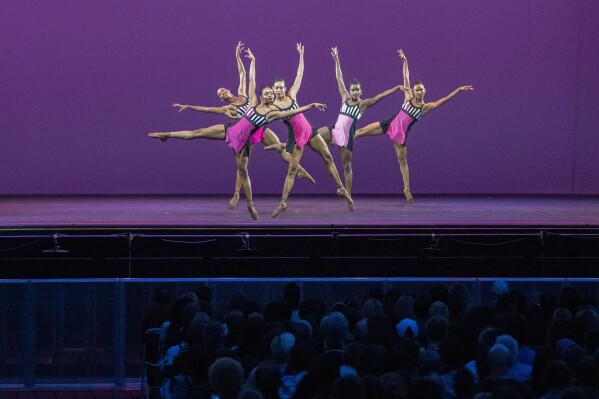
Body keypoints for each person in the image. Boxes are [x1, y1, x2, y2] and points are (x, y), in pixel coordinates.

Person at [149, 48, 326, 220]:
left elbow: (289, 112)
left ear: (271, 97)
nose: (269, 95)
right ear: (262, 95)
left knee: (246, 169)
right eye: (266, 93)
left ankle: (251, 204)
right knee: (199, 132)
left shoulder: (272, 113)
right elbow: (250, 79)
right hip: (233, 131)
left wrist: (310, 105)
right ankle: (167, 134)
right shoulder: (248, 102)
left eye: (270, 93)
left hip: (248, 138)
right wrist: (188, 106)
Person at [354, 49, 473, 204]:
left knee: (402, 161)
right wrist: (405, 61)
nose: (418, 92)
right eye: (416, 90)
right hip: (389, 124)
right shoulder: (408, 96)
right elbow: (406, 77)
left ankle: (407, 189)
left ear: (424, 92)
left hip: (401, 134)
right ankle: (340, 141)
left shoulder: (425, 107)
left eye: (420, 90)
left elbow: (443, 100)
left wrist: (458, 90)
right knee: (361, 131)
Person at [268, 43, 354, 218]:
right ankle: (283, 202)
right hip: (296, 137)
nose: (278, 90)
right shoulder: (273, 107)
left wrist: (301, 55)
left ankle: (340, 188)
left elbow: (299, 75)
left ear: (284, 88)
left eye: (280, 87)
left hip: (310, 131)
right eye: (276, 87)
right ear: (273, 89)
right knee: (292, 170)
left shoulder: (292, 94)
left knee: (328, 157)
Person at [316, 47, 408, 195]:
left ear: (361, 91)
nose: (354, 92)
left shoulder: (363, 104)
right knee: (313, 135)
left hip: (346, 137)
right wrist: (337, 60)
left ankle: (349, 195)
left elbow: (380, 96)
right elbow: (339, 79)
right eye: (353, 90)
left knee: (346, 166)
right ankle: (322, 145)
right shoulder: (345, 97)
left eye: (357, 90)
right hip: (334, 130)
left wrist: (397, 88)